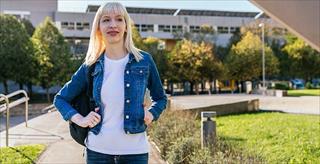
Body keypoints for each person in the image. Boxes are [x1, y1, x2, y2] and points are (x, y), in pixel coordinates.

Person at [53, 2, 167, 164]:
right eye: (106, 20)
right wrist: (80, 119)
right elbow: (60, 99)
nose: (113, 24)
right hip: (98, 152)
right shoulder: (91, 65)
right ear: (98, 27)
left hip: (135, 152)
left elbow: (160, 98)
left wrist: (152, 113)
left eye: (119, 19)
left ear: (126, 26)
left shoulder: (144, 60)